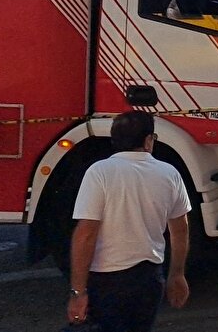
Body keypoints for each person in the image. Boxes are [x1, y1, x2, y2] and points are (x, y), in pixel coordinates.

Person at [68, 111, 191, 332]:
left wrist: (78, 291)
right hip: (150, 278)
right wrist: (177, 274)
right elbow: (180, 230)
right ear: (148, 140)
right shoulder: (169, 174)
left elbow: (86, 234)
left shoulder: (100, 172)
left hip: (107, 280)